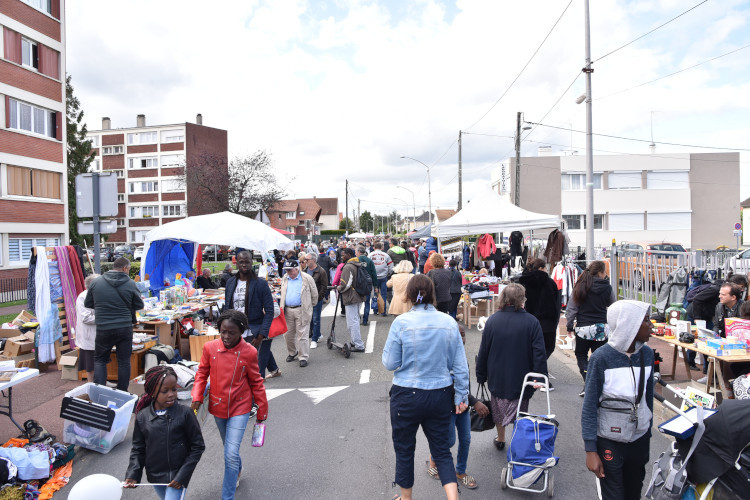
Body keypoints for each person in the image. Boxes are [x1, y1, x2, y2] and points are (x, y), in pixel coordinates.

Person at [382, 274, 469, 500]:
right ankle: (453, 498)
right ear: (433, 295)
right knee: (441, 450)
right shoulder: (449, 322)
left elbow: (390, 363)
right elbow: (460, 366)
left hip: (406, 394)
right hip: (440, 393)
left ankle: (406, 498)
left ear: (409, 295)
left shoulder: (401, 323)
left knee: (404, 449)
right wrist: (461, 396)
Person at [191, 310, 268, 500]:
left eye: (231, 332)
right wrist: (197, 395)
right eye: (223, 331)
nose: (226, 336)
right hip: (217, 407)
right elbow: (201, 374)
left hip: (240, 407)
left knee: (230, 453)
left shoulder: (249, 351)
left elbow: (256, 382)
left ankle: (227, 497)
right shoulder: (209, 348)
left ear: (241, 332)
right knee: (229, 448)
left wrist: (262, 410)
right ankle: (238, 469)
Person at [582, 300, 654, 500]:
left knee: (634, 492)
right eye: (646, 321)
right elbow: (589, 405)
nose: (651, 326)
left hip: (639, 440)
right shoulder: (601, 358)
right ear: (628, 324)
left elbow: (648, 398)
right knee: (614, 495)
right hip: (610, 440)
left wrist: (648, 431)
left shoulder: (647, 355)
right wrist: (590, 449)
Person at [476, 283, 547, 450]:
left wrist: (481, 374)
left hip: (497, 374)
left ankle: (500, 438)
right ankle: (517, 440)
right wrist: (539, 376)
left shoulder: (493, 320)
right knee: (520, 410)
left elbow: (483, 350)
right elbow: (539, 353)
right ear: (522, 300)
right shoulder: (532, 322)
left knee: (498, 409)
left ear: (503, 299)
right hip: (522, 376)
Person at [125, 366, 205, 499]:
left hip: (178, 477)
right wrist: (133, 474)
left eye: (174, 389)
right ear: (153, 392)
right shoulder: (143, 417)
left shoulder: (185, 414)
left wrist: (182, 476)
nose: (171, 394)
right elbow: (138, 449)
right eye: (165, 391)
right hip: (155, 477)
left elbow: (198, 446)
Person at [427, 322, 488, 490]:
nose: (461, 338)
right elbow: (453, 386)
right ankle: (433, 458)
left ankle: (460, 472)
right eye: (457, 334)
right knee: (449, 440)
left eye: (463, 334)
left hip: (463, 406)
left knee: (466, 439)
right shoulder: (446, 357)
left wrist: (469, 402)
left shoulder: (462, 355)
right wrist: (475, 401)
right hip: (448, 408)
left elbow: (464, 384)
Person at [85, 257, 144, 391]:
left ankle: (99, 391)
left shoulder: (96, 283)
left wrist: (103, 306)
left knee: (100, 360)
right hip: (124, 327)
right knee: (124, 361)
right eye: (128, 269)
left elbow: (88, 304)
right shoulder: (130, 283)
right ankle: (122, 392)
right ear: (125, 268)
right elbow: (139, 304)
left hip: (103, 328)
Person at [224, 251, 279, 379]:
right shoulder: (231, 282)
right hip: (236, 333)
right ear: (236, 263)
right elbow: (227, 308)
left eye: (247, 262)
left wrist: (261, 334)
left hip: (254, 333)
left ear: (251, 262)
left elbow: (269, 310)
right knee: (237, 371)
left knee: (255, 374)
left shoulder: (260, 283)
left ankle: (255, 399)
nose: (244, 265)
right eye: (241, 262)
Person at [565, 260, 616, 396]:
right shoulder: (607, 287)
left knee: (581, 356)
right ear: (600, 273)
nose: (605, 275)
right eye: (604, 272)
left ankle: (588, 382)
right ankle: (597, 385)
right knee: (598, 357)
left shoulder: (581, 286)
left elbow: (572, 308)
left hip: (583, 329)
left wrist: (569, 325)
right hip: (601, 328)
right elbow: (613, 306)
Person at [518, 258, 562, 365]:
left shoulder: (524, 282)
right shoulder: (550, 283)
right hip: (547, 322)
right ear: (541, 268)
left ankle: (532, 367)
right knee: (548, 347)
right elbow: (556, 303)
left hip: (528, 320)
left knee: (531, 347)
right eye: (545, 267)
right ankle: (537, 368)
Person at [280, 259, 318, 367]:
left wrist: (310, 306)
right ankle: (292, 352)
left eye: (290, 270)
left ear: (296, 269)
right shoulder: (285, 278)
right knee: (287, 334)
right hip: (287, 310)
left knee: (302, 334)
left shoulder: (306, 278)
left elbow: (314, 294)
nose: (288, 273)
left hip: (302, 309)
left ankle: (303, 356)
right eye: (287, 270)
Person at [336, 247, 366, 352]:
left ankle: (358, 344)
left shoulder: (348, 267)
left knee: (352, 322)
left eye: (343, 254)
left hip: (351, 296)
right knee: (355, 320)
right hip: (359, 295)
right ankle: (355, 341)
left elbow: (345, 284)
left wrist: (339, 288)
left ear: (349, 255)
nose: (341, 256)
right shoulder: (357, 264)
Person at [74, 274, 99, 382]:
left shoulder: (99, 295)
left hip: (99, 334)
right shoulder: (83, 297)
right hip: (89, 336)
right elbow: (86, 318)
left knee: (101, 360)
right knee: (90, 364)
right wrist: (104, 317)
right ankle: (91, 383)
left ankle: (101, 380)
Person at [304, 253, 328, 348]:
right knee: (309, 319)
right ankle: (317, 334)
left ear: (313, 260)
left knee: (316, 319)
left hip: (316, 299)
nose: (305, 261)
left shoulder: (321, 271)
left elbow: (324, 286)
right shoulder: (305, 270)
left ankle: (314, 339)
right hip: (307, 299)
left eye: (307, 259)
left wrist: (318, 297)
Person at [369, 241, 393, 316]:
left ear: (374, 247)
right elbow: (391, 266)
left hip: (374, 277)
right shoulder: (386, 255)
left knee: (375, 294)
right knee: (383, 294)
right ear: (382, 247)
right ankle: (383, 311)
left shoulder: (370, 255)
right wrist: (388, 273)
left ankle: (375, 310)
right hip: (383, 277)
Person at [355, 246, 378, 326]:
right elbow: (374, 274)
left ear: (358, 252)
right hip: (368, 284)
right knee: (367, 302)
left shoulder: (356, 260)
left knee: (357, 303)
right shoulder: (369, 261)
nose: (355, 253)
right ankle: (365, 320)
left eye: (356, 252)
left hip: (358, 283)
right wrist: (375, 286)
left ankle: (357, 319)